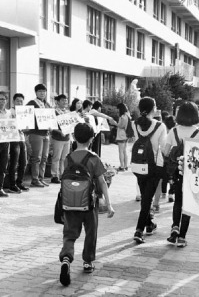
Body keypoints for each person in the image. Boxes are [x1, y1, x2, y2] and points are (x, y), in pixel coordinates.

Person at [59, 123, 115, 287]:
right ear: (92, 139)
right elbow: (102, 182)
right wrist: (109, 204)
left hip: (69, 204)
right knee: (91, 232)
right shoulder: (94, 158)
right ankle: (88, 261)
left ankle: (67, 257)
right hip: (90, 203)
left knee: (70, 234)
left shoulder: (68, 158)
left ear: (74, 138)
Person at [163, 101, 199, 247]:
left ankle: (174, 227)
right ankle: (182, 237)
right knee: (188, 204)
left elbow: (165, 151)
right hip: (193, 173)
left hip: (176, 171)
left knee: (178, 201)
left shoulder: (173, 131)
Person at [132, 97, 167, 244]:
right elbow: (164, 148)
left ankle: (149, 224)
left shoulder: (135, 124)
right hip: (153, 167)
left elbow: (136, 141)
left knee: (145, 197)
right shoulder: (160, 126)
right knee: (147, 199)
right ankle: (139, 230)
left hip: (138, 165)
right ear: (153, 109)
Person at [26, 84, 53, 188]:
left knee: (44, 157)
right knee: (36, 157)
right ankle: (35, 179)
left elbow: (51, 118)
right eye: (40, 91)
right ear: (36, 92)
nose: (42, 93)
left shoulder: (47, 104)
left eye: (44, 91)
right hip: (36, 133)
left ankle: (41, 178)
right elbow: (26, 117)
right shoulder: (32, 103)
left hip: (46, 134)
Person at [8, 93, 30, 193]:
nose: (19, 103)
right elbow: (7, 125)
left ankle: (19, 182)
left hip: (22, 139)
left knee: (23, 162)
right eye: (17, 101)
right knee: (14, 162)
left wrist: (26, 128)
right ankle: (12, 184)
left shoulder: (25, 112)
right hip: (13, 139)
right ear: (13, 101)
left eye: (21, 101)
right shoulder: (9, 112)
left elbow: (27, 127)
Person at [50, 94, 71, 184]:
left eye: (66, 100)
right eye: (62, 100)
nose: (65, 102)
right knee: (56, 158)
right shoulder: (54, 112)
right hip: (58, 138)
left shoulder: (68, 112)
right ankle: (54, 175)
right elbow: (51, 126)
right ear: (57, 102)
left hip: (67, 138)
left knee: (64, 158)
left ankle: (63, 174)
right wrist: (59, 132)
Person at [115, 103, 130, 171]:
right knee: (124, 151)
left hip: (121, 135)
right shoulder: (128, 115)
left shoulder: (123, 117)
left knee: (121, 151)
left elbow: (121, 126)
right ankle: (126, 165)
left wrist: (114, 123)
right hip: (126, 135)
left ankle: (122, 166)